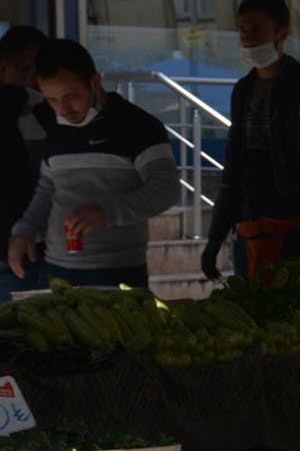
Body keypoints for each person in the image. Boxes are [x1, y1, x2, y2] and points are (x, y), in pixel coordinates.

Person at [201, 0, 300, 278]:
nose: (248, 39)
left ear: (281, 35)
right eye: (243, 30)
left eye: (258, 29)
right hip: (252, 227)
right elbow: (233, 167)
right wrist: (215, 238)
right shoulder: (244, 90)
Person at [8, 39, 180, 288]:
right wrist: (24, 232)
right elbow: (47, 190)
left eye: (71, 96)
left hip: (118, 270)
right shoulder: (56, 129)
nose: (63, 109)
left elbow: (166, 189)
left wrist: (106, 213)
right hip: (56, 267)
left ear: (95, 82)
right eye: (52, 100)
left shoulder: (138, 126)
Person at [0, 25, 47, 295]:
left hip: (45, 249)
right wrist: (12, 93)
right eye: (25, 67)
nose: (33, 78)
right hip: (7, 254)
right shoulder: (13, 103)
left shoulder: (41, 108)